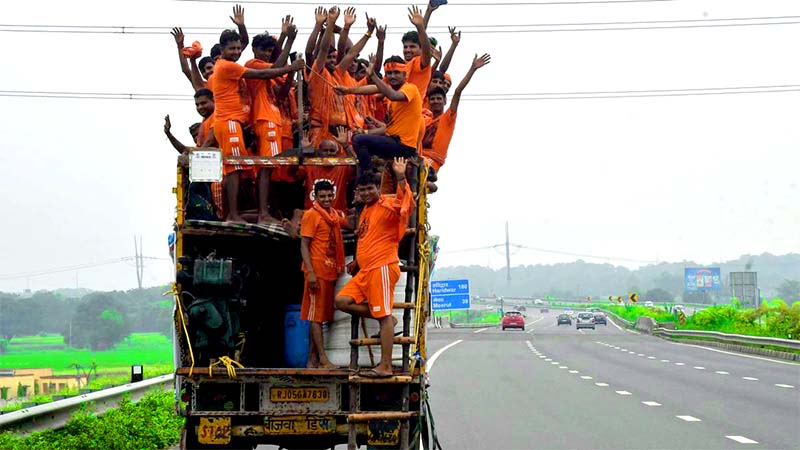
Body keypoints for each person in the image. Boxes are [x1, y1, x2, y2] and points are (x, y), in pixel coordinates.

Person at [203, 29, 304, 223]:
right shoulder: (227, 66)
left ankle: (252, 214)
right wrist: (291, 66)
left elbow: (276, 84)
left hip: (237, 123)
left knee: (241, 169)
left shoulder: (232, 65)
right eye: (231, 48)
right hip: (233, 121)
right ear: (222, 49)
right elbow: (266, 72)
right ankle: (241, 215)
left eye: (238, 48)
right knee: (241, 169)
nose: (235, 52)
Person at [335, 157, 414, 378]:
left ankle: (385, 366)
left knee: (383, 316)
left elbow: (405, 201)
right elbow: (368, 238)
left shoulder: (388, 206)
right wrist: (357, 261)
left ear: (378, 188)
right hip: (366, 270)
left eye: (370, 189)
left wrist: (400, 176)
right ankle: (387, 317)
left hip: (382, 268)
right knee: (342, 301)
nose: (367, 193)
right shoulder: (366, 212)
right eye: (362, 190)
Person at [245, 29, 298, 224]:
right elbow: (275, 67)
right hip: (264, 119)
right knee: (266, 169)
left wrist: (291, 74)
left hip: (272, 119)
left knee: (269, 170)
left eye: (269, 50)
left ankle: (268, 212)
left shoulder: (270, 71)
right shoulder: (253, 65)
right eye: (263, 50)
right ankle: (263, 214)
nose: (266, 53)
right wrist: (290, 40)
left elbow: (282, 93)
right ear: (254, 49)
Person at [335, 56, 422, 173]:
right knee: (359, 144)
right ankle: (368, 175)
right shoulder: (391, 89)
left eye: (396, 73)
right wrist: (347, 91)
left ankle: (369, 175)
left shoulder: (410, 88)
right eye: (389, 73)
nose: (392, 76)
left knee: (359, 140)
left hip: (403, 145)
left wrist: (373, 76)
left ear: (405, 75)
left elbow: (392, 95)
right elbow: (374, 88)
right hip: (393, 141)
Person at [300, 179, 350, 369]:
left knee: (320, 317)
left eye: (329, 196)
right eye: (322, 196)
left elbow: (350, 224)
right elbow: (304, 245)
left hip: (329, 272)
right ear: (316, 196)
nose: (326, 199)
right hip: (316, 273)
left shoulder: (334, 216)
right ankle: (322, 359)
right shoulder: (311, 215)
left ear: (334, 195)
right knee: (316, 317)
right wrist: (311, 272)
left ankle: (312, 360)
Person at [422, 53, 490, 175]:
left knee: (421, 171)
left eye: (438, 98)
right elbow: (426, 84)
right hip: (418, 155)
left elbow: (458, 92)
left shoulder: (448, 118)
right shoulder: (425, 118)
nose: (435, 101)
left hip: (432, 161)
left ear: (444, 101)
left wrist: (472, 69)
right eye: (433, 99)